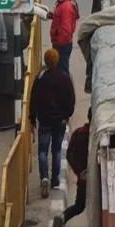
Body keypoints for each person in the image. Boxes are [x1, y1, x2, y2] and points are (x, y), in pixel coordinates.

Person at [30, 48, 74, 199]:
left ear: (46, 61)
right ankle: (55, 179)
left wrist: (31, 118)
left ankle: (44, 177)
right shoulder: (64, 78)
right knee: (56, 150)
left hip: (44, 120)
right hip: (59, 120)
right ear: (56, 60)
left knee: (42, 151)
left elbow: (33, 99)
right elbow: (71, 98)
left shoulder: (40, 79)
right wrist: (67, 115)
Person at [60, 115, 90, 224]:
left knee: (79, 206)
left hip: (83, 179)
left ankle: (63, 217)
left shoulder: (79, 132)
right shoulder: (96, 136)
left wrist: (79, 171)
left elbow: (69, 154)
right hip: (99, 180)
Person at [47, 0, 79, 73]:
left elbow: (66, 29)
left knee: (62, 70)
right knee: (59, 69)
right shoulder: (63, 4)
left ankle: (64, 86)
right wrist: (53, 16)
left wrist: (58, 42)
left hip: (62, 44)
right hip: (61, 43)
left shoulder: (65, 6)